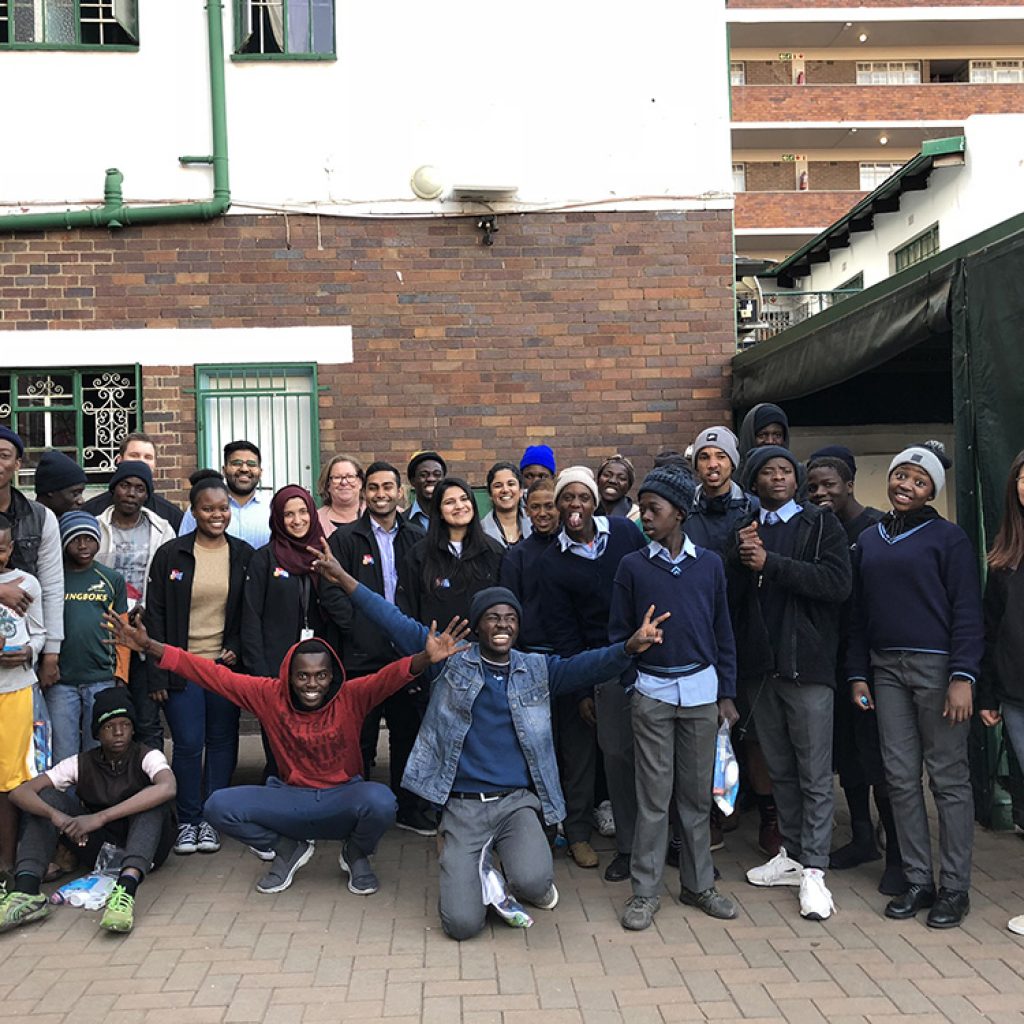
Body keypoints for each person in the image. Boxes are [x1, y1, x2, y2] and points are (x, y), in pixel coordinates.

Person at [308, 546, 669, 941]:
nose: (502, 624)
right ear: (478, 625)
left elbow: (587, 665)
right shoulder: (450, 659)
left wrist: (628, 647)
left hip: (516, 803)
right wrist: (343, 579)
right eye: (493, 617)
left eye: (510, 618)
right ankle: (472, 864)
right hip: (464, 807)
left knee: (534, 883)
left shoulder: (537, 669)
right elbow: (391, 619)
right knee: (462, 926)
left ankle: (509, 869)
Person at [104, 608, 467, 897]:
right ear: (289, 675)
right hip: (291, 801)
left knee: (383, 801)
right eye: (302, 676)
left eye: (321, 676)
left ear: (332, 676)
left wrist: (426, 657)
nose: (312, 684)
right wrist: (150, 646)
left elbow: (392, 675)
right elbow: (209, 674)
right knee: (217, 806)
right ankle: (287, 849)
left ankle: (356, 854)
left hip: (343, 798)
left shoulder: (351, 697)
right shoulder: (268, 695)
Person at [847, 443, 982, 929]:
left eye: (919, 481)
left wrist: (963, 676)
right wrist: (857, 673)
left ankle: (955, 887)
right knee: (900, 777)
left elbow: (967, 609)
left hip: (938, 669)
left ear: (932, 492)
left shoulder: (949, 539)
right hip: (885, 670)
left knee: (948, 778)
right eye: (901, 475)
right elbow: (858, 614)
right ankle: (918, 879)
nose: (906, 485)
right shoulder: (871, 539)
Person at [609, 466, 739, 931]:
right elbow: (618, 633)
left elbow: (723, 630)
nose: (645, 516)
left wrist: (726, 692)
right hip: (653, 693)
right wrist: (633, 684)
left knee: (696, 797)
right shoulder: (632, 567)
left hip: (701, 694)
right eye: (642, 509)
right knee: (653, 797)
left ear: (679, 513)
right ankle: (645, 892)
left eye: (654, 509)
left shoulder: (709, 565)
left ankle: (698, 884)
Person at [727, 445, 851, 922]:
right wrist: (740, 559)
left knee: (814, 774)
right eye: (767, 472)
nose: (777, 478)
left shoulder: (820, 524)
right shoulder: (747, 529)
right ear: (753, 482)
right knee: (779, 769)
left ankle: (815, 870)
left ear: (796, 481)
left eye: (785, 471)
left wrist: (770, 563)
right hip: (763, 671)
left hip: (808, 669)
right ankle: (793, 854)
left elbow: (836, 584)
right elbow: (735, 597)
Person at [539, 466, 647, 878]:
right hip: (593, 665)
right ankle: (589, 836)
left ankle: (657, 838)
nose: (575, 505)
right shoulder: (553, 561)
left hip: (642, 657)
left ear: (595, 503)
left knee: (646, 753)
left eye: (583, 497)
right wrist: (582, 690)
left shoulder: (624, 533)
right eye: (567, 498)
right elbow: (563, 630)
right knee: (592, 754)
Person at [2, 688, 176, 934]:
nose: (118, 732)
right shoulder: (80, 763)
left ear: (133, 729)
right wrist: (58, 817)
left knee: (153, 798)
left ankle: (125, 893)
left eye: (125, 725)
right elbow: (20, 793)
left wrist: (99, 817)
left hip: (148, 851)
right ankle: (26, 892)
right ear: (97, 732)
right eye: (109, 726)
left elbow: (168, 787)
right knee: (47, 798)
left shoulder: (148, 756)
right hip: (101, 849)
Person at [807, 449, 902, 894]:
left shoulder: (877, 528)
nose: (820, 493)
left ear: (849, 485)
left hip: (869, 661)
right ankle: (862, 837)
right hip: (831, 658)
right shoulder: (816, 529)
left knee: (878, 757)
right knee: (847, 755)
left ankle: (898, 851)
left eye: (829, 484)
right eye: (813, 487)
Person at [145, 471, 254, 857]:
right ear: (193, 511)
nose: (217, 515)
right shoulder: (171, 554)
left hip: (222, 669)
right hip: (181, 667)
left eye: (223, 508)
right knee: (189, 743)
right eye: (208, 509)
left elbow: (247, 611)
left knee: (223, 740)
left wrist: (236, 646)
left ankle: (213, 817)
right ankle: (188, 820)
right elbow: (155, 615)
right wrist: (158, 671)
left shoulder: (243, 554)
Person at [318, 462, 428, 834]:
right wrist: (362, 631)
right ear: (365, 492)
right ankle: (356, 809)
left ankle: (406, 808)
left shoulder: (417, 538)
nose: (381, 494)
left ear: (400, 492)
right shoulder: (345, 539)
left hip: (406, 655)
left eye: (388, 487)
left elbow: (423, 594)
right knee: (359, 737)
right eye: (374, 487)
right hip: (361, 657)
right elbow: (331, 592)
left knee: (407, 732)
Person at [686, 426, 771, 854]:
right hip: (702, 632)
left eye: (720, 456)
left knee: (752, 731)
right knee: (705, 730)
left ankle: (768, 816)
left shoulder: (753, 507)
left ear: (734, 463)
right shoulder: (685, 510)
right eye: (704, 457)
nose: (712, 464)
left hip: (748, 628)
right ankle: (714, 812)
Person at [96, 458, 176, 750]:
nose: (131, 493)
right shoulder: (97, 525)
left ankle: (152, 773)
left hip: (144, 628)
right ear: (113, 489)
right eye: (125, 486)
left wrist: (146, 607)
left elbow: (168, 579)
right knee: (108, 712)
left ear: (147, 494)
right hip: (105, 627)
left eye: (139, 488)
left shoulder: (162, 529)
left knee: (146, 716)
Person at [979, 448, 1024, 936]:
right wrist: (988, 695)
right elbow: (991, 630)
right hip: (1015, 696)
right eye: (1023, 478)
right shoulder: (1005, 553)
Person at [48, 510, 129, 763]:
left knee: (99, 749)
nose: (83, 545)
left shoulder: (112, 579)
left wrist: (122, 674)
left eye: (89, 539)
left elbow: (123, 631)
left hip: (101, 678)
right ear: (63, 542)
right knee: (63, 753)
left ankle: (95, 791)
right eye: (75, 539)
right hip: (61, 681)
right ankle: (66, 792)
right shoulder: (53, 578)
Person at [242, 485, 334, 679]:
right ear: (277, 518)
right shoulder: (264, 559)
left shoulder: (326, 556)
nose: (297, 520)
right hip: (274, 667)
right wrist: (260, 672)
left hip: (320, 665)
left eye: (303, 512)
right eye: (288, 514)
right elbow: (251, 618)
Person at [0, 511, 46, 880]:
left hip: (16, 689)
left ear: (12, 547)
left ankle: (9, 863)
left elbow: (39, 631)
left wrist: (29, 651)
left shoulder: (27, 583)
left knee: (12, 779)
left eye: (1, 549)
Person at [0, 427, 64, 690]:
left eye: (4, 455)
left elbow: (52, 586)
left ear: (17, 464)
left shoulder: (40, 518)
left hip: (25, 648)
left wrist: (50, 653)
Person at [398, 477, 503, 632]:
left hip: (484, 645)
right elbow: (408, 609)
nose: (459, 506)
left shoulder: (493, 551)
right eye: (449, 502)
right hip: (437, 644)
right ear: (439, 511)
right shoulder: (419, 555)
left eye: (464, 499)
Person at [499, 479, 561, 654]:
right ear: (526, 511)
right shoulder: (517, 556)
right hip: (532, 648)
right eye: (535, 507)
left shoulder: (573, 547)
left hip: (573, 648)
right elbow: (509, 605)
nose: (542, 513)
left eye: (549, 506)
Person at [82, 432, 184, 533]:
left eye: (148, 457)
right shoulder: (91, 512)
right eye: (134, 455)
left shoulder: (172, 516)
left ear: (155, 465)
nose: (141, 461)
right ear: (119, 460)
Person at [179, 440, 270, 550]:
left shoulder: (272, 509)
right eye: (236, 463)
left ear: (260, 471)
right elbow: (183, 548)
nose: (244, 469)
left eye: (251, 464)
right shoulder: (200, 509)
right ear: (224, 470)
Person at [481, 462, 532, 549]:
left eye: (511, 484)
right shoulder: (481, 531)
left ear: (521, 491)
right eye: (498, 486)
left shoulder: (534, 524)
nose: (505, 490)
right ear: (490, 494)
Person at [317, 455, 365, 537]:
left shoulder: (375, 514)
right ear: (327, 485)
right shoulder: (316, 520)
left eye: (350, 476)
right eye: (337, 477)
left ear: (360, 482)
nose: (344, 482)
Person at [33, 450, 87, 519]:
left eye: (81, 493)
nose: (81, 501)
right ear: (51, 490)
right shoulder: (25, 522)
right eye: (75, 494)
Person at [405, 451, 447, 532]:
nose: (431, 479)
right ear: (412, 481)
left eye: (437, 474)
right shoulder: (400, 522)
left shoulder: (455, 517)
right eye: (423, 475)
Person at [596, 454, 641, 523]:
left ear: (629, 486)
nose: (613, 481)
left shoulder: (638, 518)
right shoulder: (590, 514)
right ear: (598, 480)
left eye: (621, 478)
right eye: (607, 475)